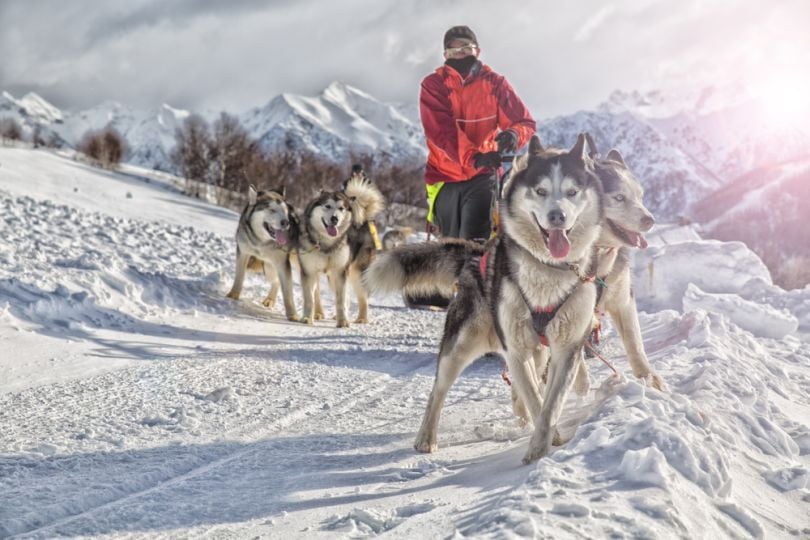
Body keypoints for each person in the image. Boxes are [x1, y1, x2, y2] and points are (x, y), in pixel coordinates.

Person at [408, 25, 536, 308]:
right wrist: (474, 155)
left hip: (484, 175)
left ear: (477, 50)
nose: (461, 54)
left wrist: (513, 135)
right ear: (445, 54)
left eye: (467, 48)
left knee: (475, 242)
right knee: (452, 243)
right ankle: (444, 291)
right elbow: (441, 133)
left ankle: (477, 308)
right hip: (444, 176)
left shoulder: (495, 83)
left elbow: (524, 122)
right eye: (454, 50)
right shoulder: (434, 84)